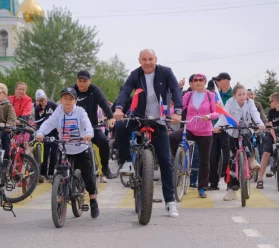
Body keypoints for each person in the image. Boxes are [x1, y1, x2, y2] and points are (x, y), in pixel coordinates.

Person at [113, 49, 182, 218]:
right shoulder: (135, 75)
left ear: (156, 59)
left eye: (150, 59)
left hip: (159, 119)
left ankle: (170, 202)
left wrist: (178, 111)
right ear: (139, 61)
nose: (147, 62)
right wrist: (119, 108)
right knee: (120, 126)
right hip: (138, 116)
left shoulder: (166, 72)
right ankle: (127, 161)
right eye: (144, 59)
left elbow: (175, 89)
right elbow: (125, 91)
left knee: (166, 161)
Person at [36, 87, 99, 218]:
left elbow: (87, 123)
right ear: (61, 100)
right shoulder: (58, 111)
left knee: (88, 176)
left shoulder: (80, 112)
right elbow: (49, 123)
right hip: (64, 149)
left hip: (81, 148)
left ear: (75, 101)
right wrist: (41, 133)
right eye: (65, 98)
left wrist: (88, 133)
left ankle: (93, 200)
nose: (68, 101)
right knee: (59, 174)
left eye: (71, 99)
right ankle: (59, 200)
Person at [213, 84, 265, 201]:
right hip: (233, 131)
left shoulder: (250, 102)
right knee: (232, 160)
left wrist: (260, 124)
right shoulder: (230, 103)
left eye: (244, 94)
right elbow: (224, 115)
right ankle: (232, 190)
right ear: (234, 95)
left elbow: (255, 113)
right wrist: (217, 127)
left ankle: (251, 160)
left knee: (246, 136)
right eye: (239, 94)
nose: (243, 96)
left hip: (246, 129)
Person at [169, 73, 218, 198]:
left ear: (205, 82)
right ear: (192, 83)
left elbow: (217, 112)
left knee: (204, 160)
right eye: (195, 80)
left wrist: (209, 116)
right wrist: (171, 114)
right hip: (190, 128)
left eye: (201, 80)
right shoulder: (188, 95)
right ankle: (179, 161)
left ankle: (202, 188)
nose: (198, 82)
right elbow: (179, 106)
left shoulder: (211, 95)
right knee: (173, 137)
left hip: (205, 131)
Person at [72, 70, 115, 179]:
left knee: (104, 142)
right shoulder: (72, 90)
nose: (81, 83)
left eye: (84, 81)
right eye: (79, 81)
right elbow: (63, 104)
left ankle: (105, 168)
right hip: (74, 128)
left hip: (92, 128)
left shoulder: (94, 90)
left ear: (89, 81)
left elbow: (104, 103)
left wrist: (110, 117)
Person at [257, 92, 279, 189]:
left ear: (276, 101)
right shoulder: (271, 111)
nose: (270, 103)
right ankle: (260, 179)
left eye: (270, 101)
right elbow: (270, 125)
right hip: (272, 134)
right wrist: (274, 137)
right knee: (266, 153)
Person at [208, 72, 233, 190]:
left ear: (227, 80)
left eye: (219, 80)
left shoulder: (234, 95)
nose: (217, 82)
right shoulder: (215, 95)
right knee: (212, 157)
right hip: (214, 129)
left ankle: (230, 182)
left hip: (228, 130)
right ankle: (213, 183)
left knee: (229, 157)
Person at [34, 89, 58, 183]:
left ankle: (51, 173)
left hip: (55, 132)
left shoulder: (53, 105)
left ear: (46, 98)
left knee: (54, 153)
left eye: (43, 99)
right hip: (45, 133)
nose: (42, 102)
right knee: (45, 153)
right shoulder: (37, 109)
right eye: (40, 100)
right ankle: (43, 173)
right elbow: (37, 122)